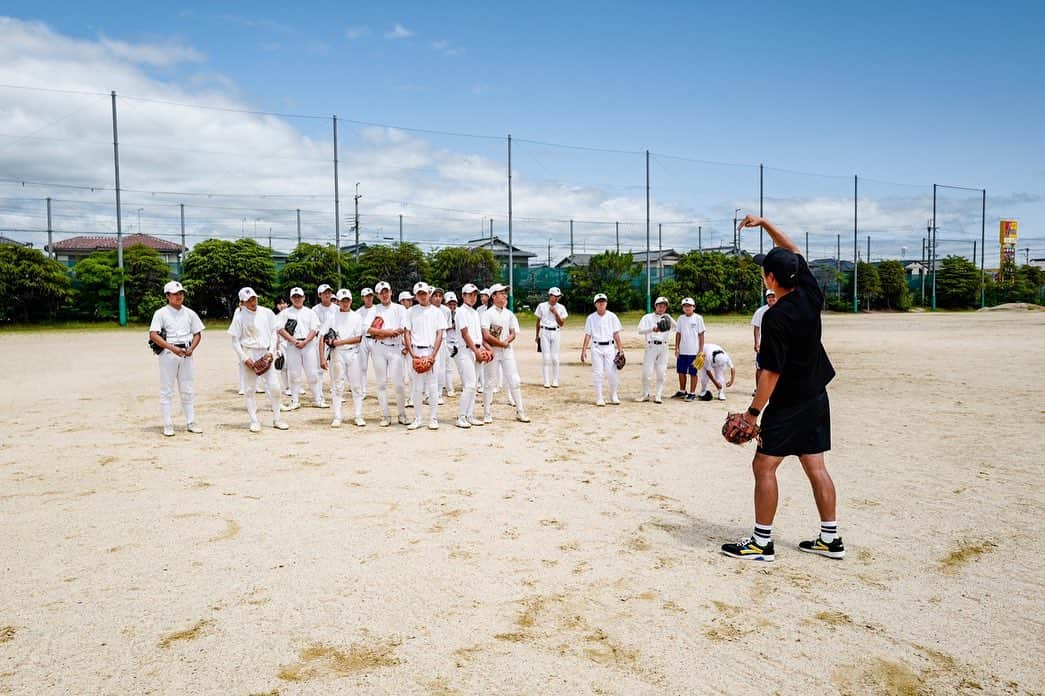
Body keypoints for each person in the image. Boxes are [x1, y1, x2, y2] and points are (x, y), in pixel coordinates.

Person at [720, 215, 842, 563]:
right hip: (817, 394)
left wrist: (752, 413)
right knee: (815, 466)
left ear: (771, 278)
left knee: (763, 467)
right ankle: (830, 539)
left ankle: (761, 543)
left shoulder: (776, 317)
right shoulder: (809, 294)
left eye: (765, 270)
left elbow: (770, 373)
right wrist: (766, 224)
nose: (763, 274)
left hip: (789, 403)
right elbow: (793, 251)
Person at [227, 287, 288, 432]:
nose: (253, 302)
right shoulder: (239, 316)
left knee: (275, 387)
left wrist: (271, 352)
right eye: (249, 300)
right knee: (249, 389)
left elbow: (274, 333)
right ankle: (254, 420)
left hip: (265, 352)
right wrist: (244, 358)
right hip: (249, 352)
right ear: (242, 302)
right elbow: (235, 340)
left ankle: (277, 418)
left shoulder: (267, 312)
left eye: (254, 298)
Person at [148, 281, 205, 436]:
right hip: (169, 352)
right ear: (167, 296)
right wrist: (171, 348)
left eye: (181, 293)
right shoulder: (161, 313)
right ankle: (168, 424)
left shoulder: (190, 313)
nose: (179, 296)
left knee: (187, 389)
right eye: (175, 294)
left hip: (186, 352)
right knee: (167, 390)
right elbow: (153, 334)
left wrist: (192, 348)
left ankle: (191, 421)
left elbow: (198, 333)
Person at [480, 283, 530, 423]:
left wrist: (506, 342)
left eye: (505, 292)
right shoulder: (487, 314)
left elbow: (514, 332)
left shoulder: (509, 314)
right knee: (490, 381)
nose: (504, 295)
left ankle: (520, 411)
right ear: (493, 296)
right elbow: (486, 335)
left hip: (507, 350)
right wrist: (501, 344)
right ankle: (487, 413)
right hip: (493, 350)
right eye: (501, 292)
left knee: (514, 380)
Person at [318, 289, 366, 427]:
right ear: (338, 301)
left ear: (351, 300)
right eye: (342, 300)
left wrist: (340, 342)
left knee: (356, 386)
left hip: (352, 353)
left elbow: (358, 338)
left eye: (347, 300)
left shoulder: (356, 317)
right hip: (337, 354)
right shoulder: (332, 317)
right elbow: (322, 336)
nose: (345, 303)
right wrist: (322, 358)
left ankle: (358, 415)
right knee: (337, 386)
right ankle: (337, 416)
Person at [404, 282, 447, 430]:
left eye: (425, 293)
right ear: (416, 296)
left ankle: (433, 418)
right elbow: (407, 333)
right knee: (417, 387)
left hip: (431, 350)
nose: (423, 296)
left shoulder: (437, 312)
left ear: (429, 293)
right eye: (419, 294)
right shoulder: (410, 311)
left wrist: (433, 355)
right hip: (416, 350)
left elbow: (440, 334)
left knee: (433, 386)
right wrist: (412, 354)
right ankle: (418, 418)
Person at [369, 281, 410, 427]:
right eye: (381, 292)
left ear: (391, 292)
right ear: (377, 295)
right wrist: (386, 332)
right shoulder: (374, 309)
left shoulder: (400, 309)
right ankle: (385, 415)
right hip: (379, 348)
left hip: (395, 348)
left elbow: (403, 328)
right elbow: (367, 329)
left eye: (386, 291)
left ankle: (402, 414)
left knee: (398, 384)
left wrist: (384, 333)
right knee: (381, 383)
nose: (384, 294)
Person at [277, 287, 325, 409]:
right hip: (292, 345)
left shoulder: (310, 312)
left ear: (304, 298)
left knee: (312, 374)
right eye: (294, 297)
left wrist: (305, 341)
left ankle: (318, 399)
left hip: (308, 344)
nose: (297, 299)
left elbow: (315, 329)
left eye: (299, 297)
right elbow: (280, 329)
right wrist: (294, 340)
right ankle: (295, 400)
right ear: (291, 299)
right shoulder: (285, 313)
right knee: (294, 374)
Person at [580, 293, 624, 406]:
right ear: (595, 304)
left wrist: (620, 350)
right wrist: (584, 349)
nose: (601, 303)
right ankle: (599, 397)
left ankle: (613, 395)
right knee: (598, 373)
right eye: (599, 302)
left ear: (606, 303)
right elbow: (588, 335)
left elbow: (616, 334)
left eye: (603, 301)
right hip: (596, 347)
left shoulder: (612, 316)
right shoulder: (591, 318)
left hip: (609, 347)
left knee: (611, 372)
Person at [455, 283, 486, 426]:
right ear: (463, 296)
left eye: (475, 295)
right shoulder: (460, 311)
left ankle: (469, 414)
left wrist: (485, 349)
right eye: (469, 294)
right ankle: (461, 416)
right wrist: (476, 351)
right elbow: (465, 334)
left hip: (476, 349)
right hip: (466, 350)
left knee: (474, 386)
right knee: (470, 384)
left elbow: (478, 335)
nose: (473, 297)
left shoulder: (475, 313)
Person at [635, 296, 676, 403]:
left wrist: (669, 319)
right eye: (660, 305)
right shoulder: (647, 317)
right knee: (646, 373)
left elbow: (677, 328)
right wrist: (651, 329)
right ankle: (645, 394)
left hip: (664, 347)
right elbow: (639, 330)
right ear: (655, 306)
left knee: (661, 373)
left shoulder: (667, 317)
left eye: (664, 306)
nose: (662, 308)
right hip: (651, 346)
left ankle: (658, 395)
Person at [672, 297, 706, 402]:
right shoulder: (681, 318)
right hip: (682, 350)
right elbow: (678, 334)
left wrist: (701, 350)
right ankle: (682, 391)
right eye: (685, 306)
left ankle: (692, 393)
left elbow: (701, 334)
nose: (687, 308)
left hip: (694, 351)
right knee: (681, 372)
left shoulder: (698, 318)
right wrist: (677, 348)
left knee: (693, 373)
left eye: (689, 306)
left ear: (694, 307)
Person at [534, 287, 568, 388]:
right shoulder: (542, 306)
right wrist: (537, 335)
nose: (557, 298)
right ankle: (546, 381)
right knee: (546, 358)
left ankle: (555, 380)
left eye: (558, 296)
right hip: (544, 331)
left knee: (555, 358)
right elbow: (538, 321)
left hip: (555, 331)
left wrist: (555, 313)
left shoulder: (561, 307)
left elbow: (561, 324)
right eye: (555, 296)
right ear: (550, 295)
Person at [751, 289, 777, 390]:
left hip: (776, 344)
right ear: (766, 298)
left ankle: (773, 388)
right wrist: (756, 343)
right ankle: (758, 389)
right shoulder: (760, 311)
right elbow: (756, 328)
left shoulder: (782, 309)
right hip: (763, 344)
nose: (771, 298)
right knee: (760, 367)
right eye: (769, 297)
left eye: (773, 296)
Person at [430, 287, 452, 401]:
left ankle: (438, 393)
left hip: (442, 340)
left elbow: (446, 328)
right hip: (429, 341)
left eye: (440, 296)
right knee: (429, 367)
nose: (438, 298)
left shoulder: (446, 310)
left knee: (441, 368)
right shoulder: (427, 309)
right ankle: (428, 393)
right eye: (435, 296)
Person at [357, 288, 376, 398]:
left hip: (375, 338)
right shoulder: (358, 312)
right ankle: (363, 390)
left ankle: (380, 390)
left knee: (379, 365)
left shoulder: (377, 309)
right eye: (366, 296)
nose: (369, 298)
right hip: (363, 339)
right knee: (362, 366)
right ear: (362, 298)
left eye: (370, 296)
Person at [274, 297, 292, 396]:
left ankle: (296, 386)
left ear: (287, 304)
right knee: (284, 366)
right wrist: (276, 349)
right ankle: (287, 387)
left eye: (284, 303)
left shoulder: (292, 314)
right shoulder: (276, 317)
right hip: (282, 344)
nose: (282, 305)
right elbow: (275, 334)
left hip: (293, 343)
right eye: (279, 304)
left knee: (294, 366)